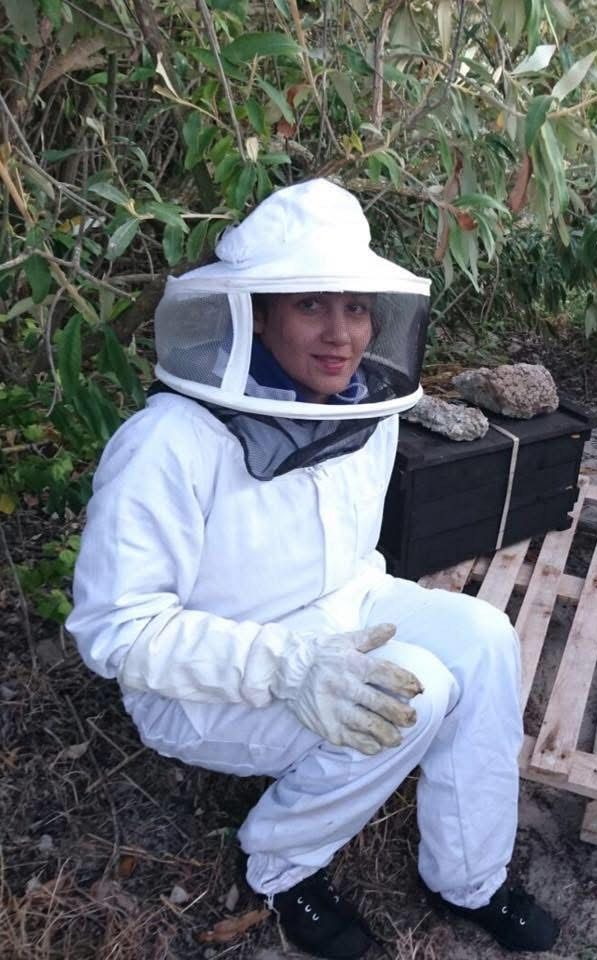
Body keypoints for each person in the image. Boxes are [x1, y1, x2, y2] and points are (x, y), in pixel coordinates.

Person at [66, 179, 559, 958]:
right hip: (203, 682)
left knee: (487, 637)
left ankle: (468, 876)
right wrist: (289, 667)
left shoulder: (363, 412)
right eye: (310, 305)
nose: (342, 334)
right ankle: (280, 865)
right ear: (256, 312)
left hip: (341, 606)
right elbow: (115, 629)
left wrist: (333, 641)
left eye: (356, 307)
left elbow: (352, 564)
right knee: (419, 692)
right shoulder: (166, 443)